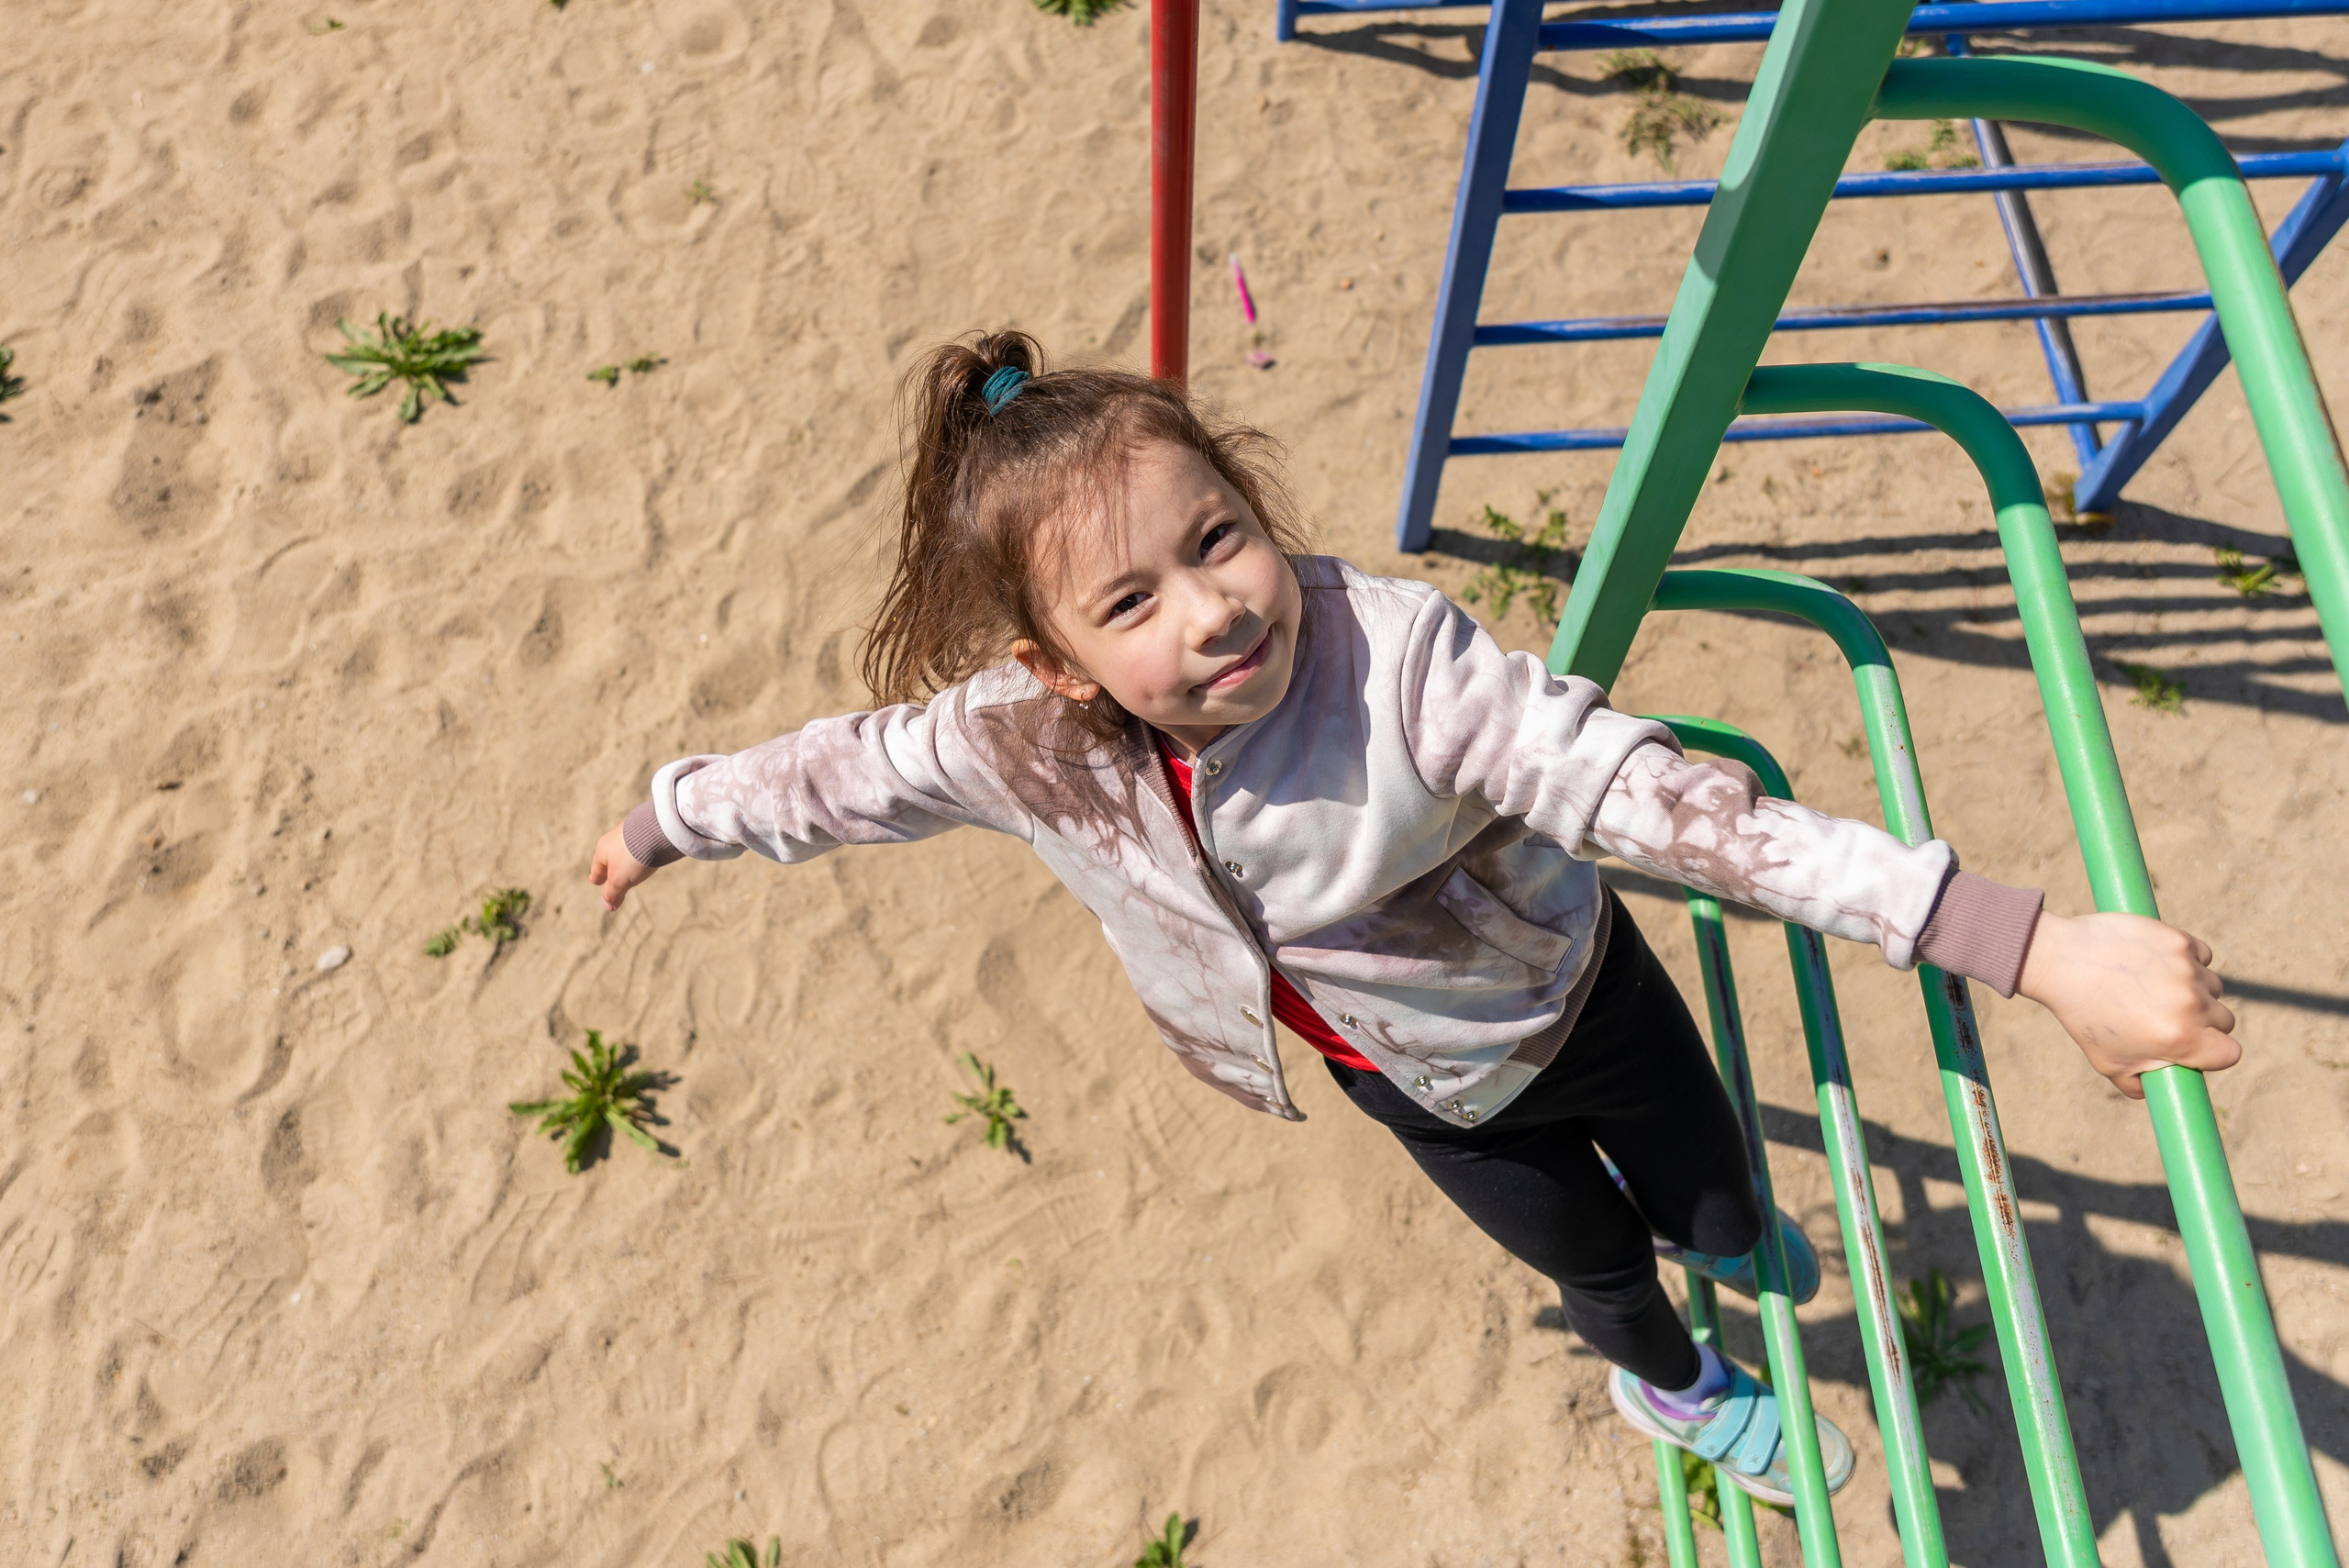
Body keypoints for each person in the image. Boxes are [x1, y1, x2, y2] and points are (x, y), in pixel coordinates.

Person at [587, 331, 2239, 1505]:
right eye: (1132, 602)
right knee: (1591, 1259)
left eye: (1219, 537)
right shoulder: (1019, 744)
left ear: (1257, 500)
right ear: (1056, 665)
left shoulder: (1407, 674)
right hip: (1423, 1085)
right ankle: (1671, 1382)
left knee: (1714, 1180)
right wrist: (672, 814)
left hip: (1577, 985)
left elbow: (1677, 809)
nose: (1216, 607)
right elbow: (837, 774)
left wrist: (2019, 943)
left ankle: (1725, 1228)